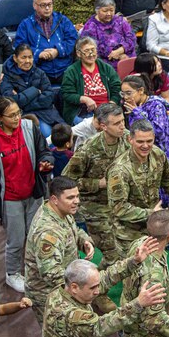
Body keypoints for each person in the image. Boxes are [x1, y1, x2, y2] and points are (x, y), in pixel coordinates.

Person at [0, 97, 53, 293]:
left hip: (34, 192)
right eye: (11, 115)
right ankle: (12, 273)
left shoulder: (30, 128)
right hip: (10, 199)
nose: (17, 118)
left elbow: (44, 151)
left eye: (18, 113)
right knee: (16, 240)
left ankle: (38, 269)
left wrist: (45, 162)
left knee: (37, 235)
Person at [23, 176, 103, 325]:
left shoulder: (61, 211)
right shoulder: (48, 231)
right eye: (71, 197)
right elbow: (50, 272)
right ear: (54, 199)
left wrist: (84, 241)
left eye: (77, 196)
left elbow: (73, 229)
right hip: (49, 293)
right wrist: (81, 285)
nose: (76, 201)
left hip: (67, 285)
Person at [106, 120, 169, 254]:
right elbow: (118, 208)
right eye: (140, 141)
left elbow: (168, 181)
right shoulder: (120, 170)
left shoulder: (158, 154)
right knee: (133, 270)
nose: (145, 146)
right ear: (130, 139)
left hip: (153, 229)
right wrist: (151, 213)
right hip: (130, 234)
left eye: (149, 141)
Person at [62, 103, 128, 265]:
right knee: (113, 254)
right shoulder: (89, 149)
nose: (122, 126)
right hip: (95, 207)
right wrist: (99, 183)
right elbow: (66, 181)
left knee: (127, 249)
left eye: (123, 121)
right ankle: (96, 287)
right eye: (116, 123)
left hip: (121, 203)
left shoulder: (128, 139)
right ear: (103, 126)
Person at [121, 74, 169, 205]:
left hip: (162, 155)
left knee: (163, 198)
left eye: (128, 93)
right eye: (123, 93)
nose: (125, 97)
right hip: (145, 155)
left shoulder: (156, 105)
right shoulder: (134, 105)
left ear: (141, 91)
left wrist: (138, 113)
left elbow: (158, 132)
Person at [14, 0, 79, 84]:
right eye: (43, 5)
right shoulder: (26, 25)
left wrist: (57, 51)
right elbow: (19, 47)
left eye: (50, 4)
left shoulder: (62, 20)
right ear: (35, 6)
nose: (47, 8)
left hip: (65, 68)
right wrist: (38, 54)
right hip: (38, 71)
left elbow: (73, 40)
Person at [0, 43, 63, 138]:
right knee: (47, 134)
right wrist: (35, 91)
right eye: (23, 57)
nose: (27, 61)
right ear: (15, 58)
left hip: (47, 113)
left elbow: (49, 97)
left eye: (30, 57)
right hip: (24, 116)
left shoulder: (40, 73)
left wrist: (24, 101)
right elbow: (11, 102)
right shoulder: (7, 77)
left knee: (64, 133)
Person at [61, 36, 122, 125]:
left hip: (107, 109)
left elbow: (117, 87)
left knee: (114, 126)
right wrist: (84, 99)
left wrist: (112, 103)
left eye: (93, 50)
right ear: (78, 53)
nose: (91, 54)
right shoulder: (71, 71)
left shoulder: (106, 68)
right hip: (82, 111)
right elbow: (67, 94)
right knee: (91, 127)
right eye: (86, 51)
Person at [80, 0, 136, 71]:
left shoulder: (120, 20)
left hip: (127, 56)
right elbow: (94, 48)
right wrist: (117, 55)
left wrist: (121, 50)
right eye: (105, 11)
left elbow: (131, 38)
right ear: (97, 11)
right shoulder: (90, 26)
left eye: (111, 10)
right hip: (106, 63)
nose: (109, 14)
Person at [133, 52, 169, 126]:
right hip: (141, 105)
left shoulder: (162, 75)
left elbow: (166, 97)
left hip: (159, 102)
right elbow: (135, 102)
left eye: (158, 61)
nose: (159, 65)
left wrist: (165, 108)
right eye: (155, 63)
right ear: (146, 67)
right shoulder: (135, 80)